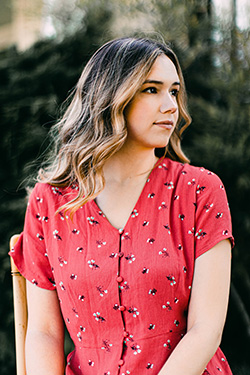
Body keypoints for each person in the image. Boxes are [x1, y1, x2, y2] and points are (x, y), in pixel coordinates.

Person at [10, 37, 234, 375]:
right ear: (111, 98)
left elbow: (206, 330)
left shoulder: (200, 191)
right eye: (151, 90)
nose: (171, 105)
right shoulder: (49, 202)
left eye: (174, 91)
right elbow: (43, 332)